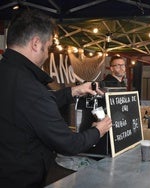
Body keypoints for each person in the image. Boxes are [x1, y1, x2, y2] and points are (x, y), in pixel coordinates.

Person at [0, 10, 112, 188]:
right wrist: (98, 130)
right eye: (49, 47)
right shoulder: (31, 89)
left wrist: (73, 91)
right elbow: (69, 144)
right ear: (36, 44)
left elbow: (30, 104)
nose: (47, 55)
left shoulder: (10, 74)